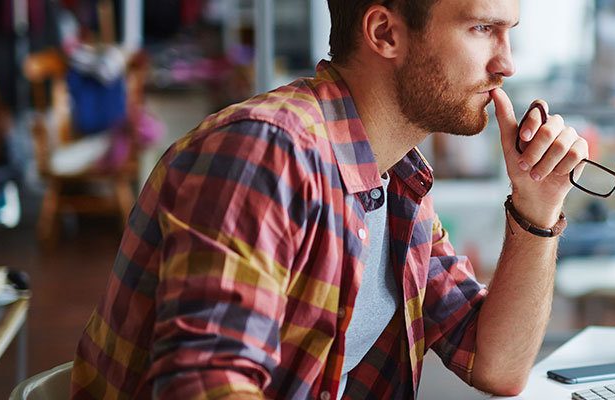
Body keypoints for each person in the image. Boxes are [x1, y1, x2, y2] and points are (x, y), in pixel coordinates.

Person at [71, 0, 588, 398]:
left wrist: (537, 209)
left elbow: (498, 364)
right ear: (385, 32)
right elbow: (206, 384)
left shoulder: (397, 178)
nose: (507, 64)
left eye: (508, 33)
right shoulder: (265, 153)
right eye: (482, 29)